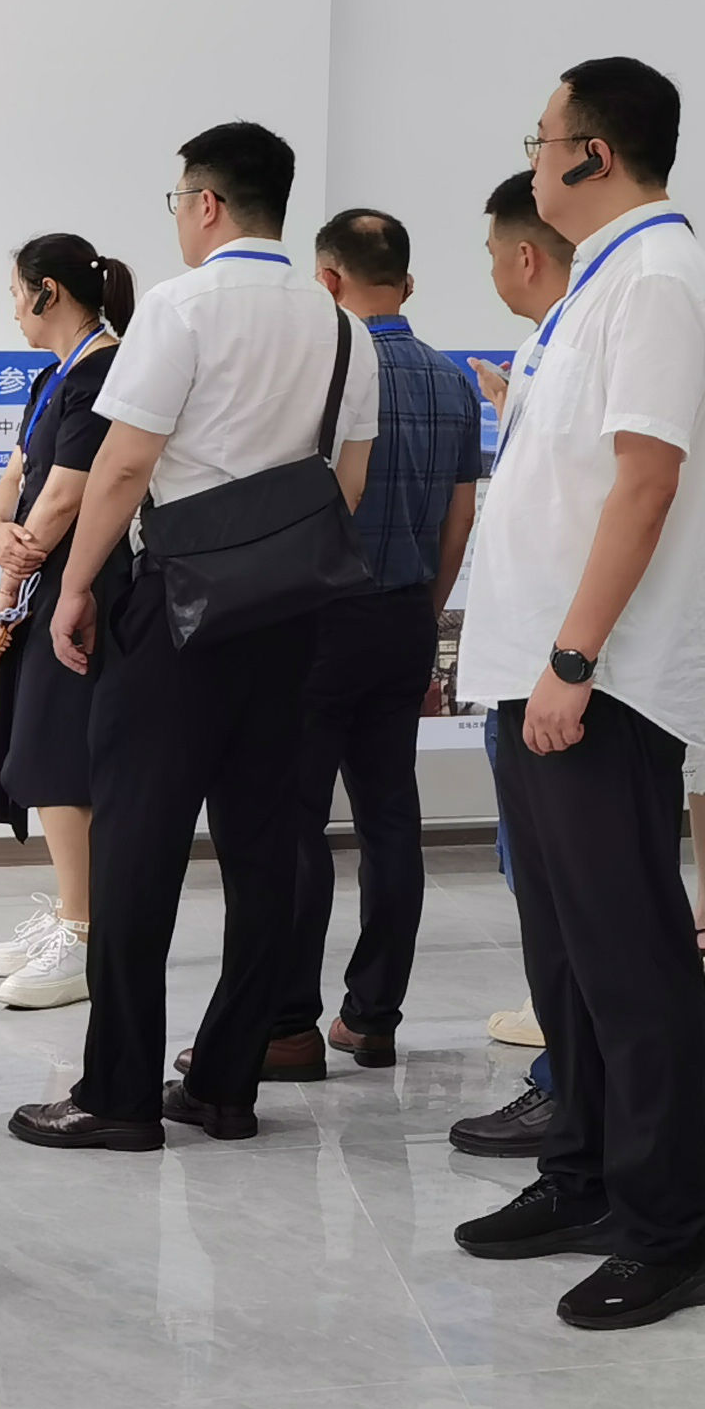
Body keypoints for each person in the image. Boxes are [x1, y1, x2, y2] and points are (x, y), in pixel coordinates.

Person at [447, 57, 705, 1331]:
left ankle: (670, 1233)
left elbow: (646, 481)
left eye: (543, 136)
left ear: (592, 154)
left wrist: (573, 661)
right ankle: (580, 1176)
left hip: (598, 682)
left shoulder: (662, 280)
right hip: (541, 673)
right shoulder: (599, 284)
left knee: (630, 964)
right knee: (564, 957)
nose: (532, 156)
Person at [9, 122, 379, 1152]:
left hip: (174, 609)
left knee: (137, 847)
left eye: (178, 200)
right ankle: (223, 1084)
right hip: (290, 617)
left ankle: (120, 1094)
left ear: (206, 203)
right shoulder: (340, 326)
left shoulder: (179, 308)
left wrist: (75, 587)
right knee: (267, 850)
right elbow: (345, 485)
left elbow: (125, 466)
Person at [271, 206, 480, 1067]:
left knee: (294, 821)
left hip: (318, 622)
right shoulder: (452, 381)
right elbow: (460, 519)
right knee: (392, 819)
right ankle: (373, 1017)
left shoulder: (319, 372)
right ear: (408, 282)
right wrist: (427, 613)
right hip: (404, 618)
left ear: (327, 280)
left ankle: (288, 1023)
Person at [0, 235, 131, 1009]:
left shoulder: (106, 372)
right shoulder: (52, 376)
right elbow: (17, 479)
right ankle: (74, 915)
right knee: (39, 750)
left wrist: (16, 566)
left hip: (85, 589)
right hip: (45, 583)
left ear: (48, 292)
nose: (12, 308)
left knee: (60, 757)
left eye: (16, 292)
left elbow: (66, 495)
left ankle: (84, 933)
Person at [453, 171, 577, 1140]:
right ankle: (565, 1074)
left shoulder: (580, 338)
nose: (491, 269)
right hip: (525, 667)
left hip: (553, 671)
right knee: (539, 885)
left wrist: (566, 668)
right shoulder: (548, 345)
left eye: (493, 253)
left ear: (523, 255)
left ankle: (569, 1087)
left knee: (566, 898)